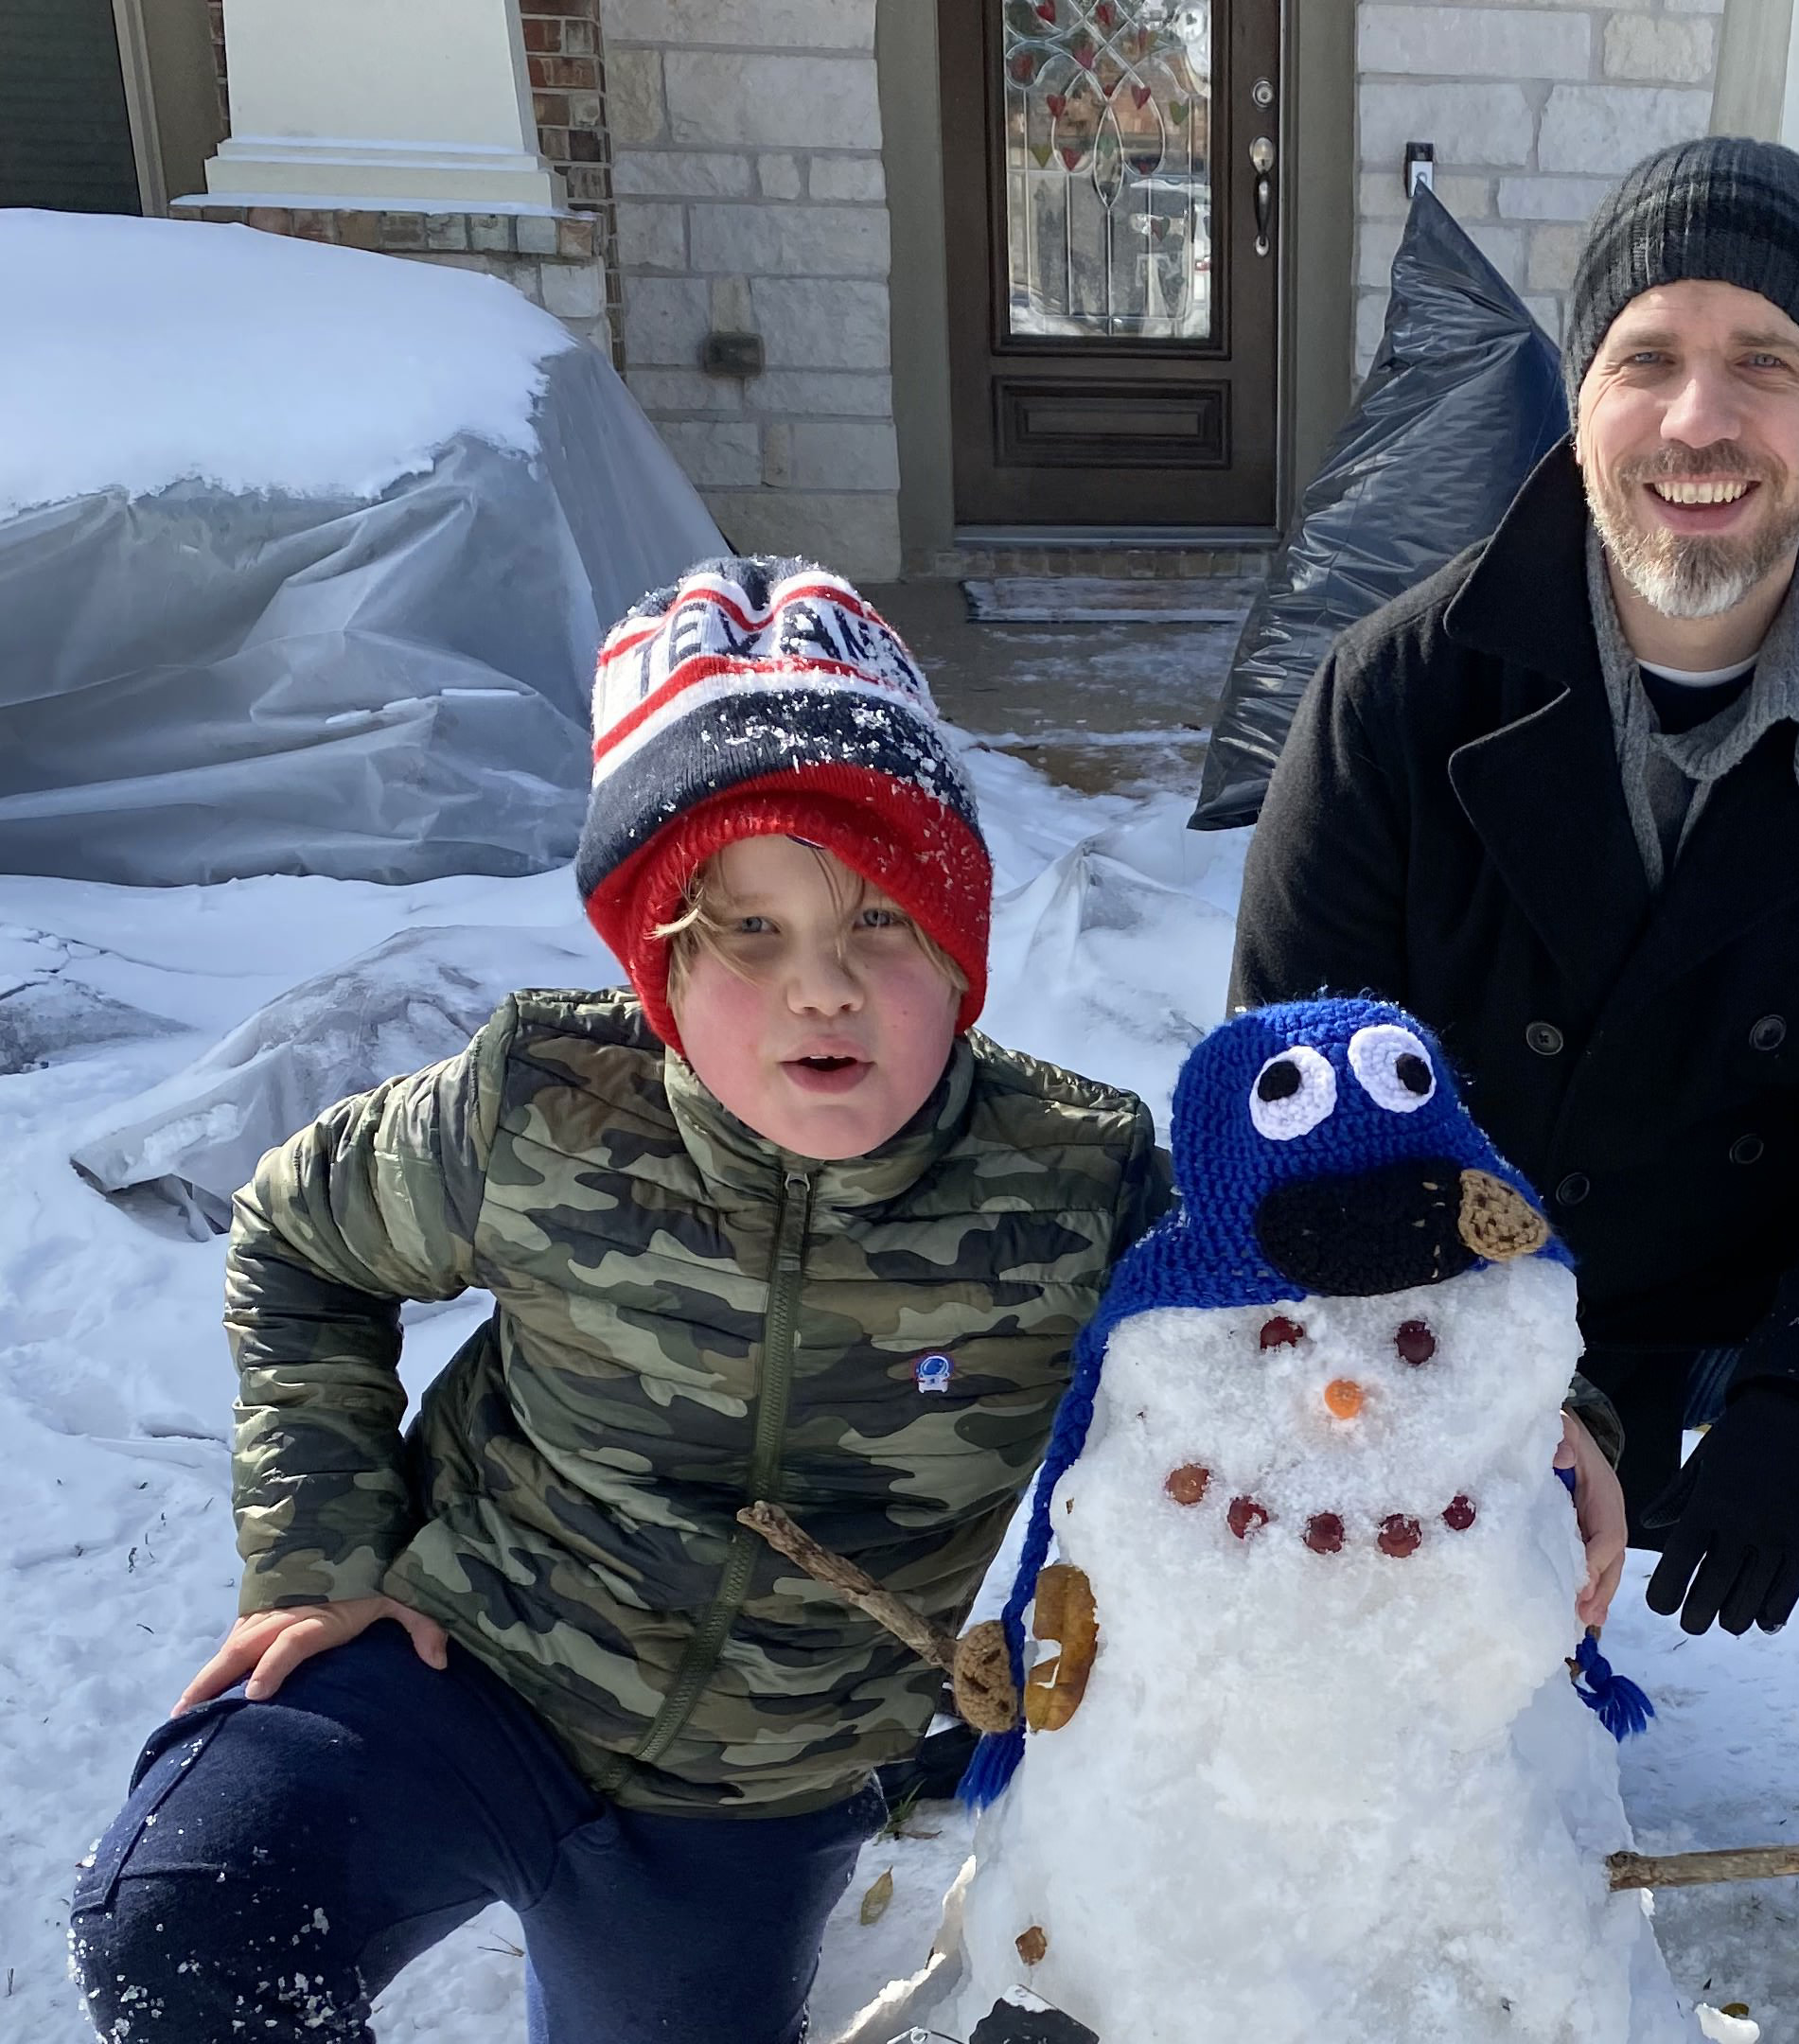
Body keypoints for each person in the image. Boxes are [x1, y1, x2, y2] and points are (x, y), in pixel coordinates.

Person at [1231, 139, 1799, 2044]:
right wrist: (1518, 1382)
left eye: (1769, 362)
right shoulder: (1394, 698)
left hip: (1779, 1272)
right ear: (1581, 405)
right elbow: (1298, 1125)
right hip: (1461, 1290)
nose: (1701, 418)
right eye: (1648, 355)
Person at [66, 559, 1168, 2044]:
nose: (821, 990)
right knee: (185, 1912)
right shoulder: (540, 1107)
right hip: (470, 1683)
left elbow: (1316, 1316)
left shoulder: (1075, 1185)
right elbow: (297, 1236)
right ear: (654, 962)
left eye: (881, 924)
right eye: (748, 934)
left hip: (753, 1807)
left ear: (961, 945)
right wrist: (321, 1551)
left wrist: (1543, 1405)